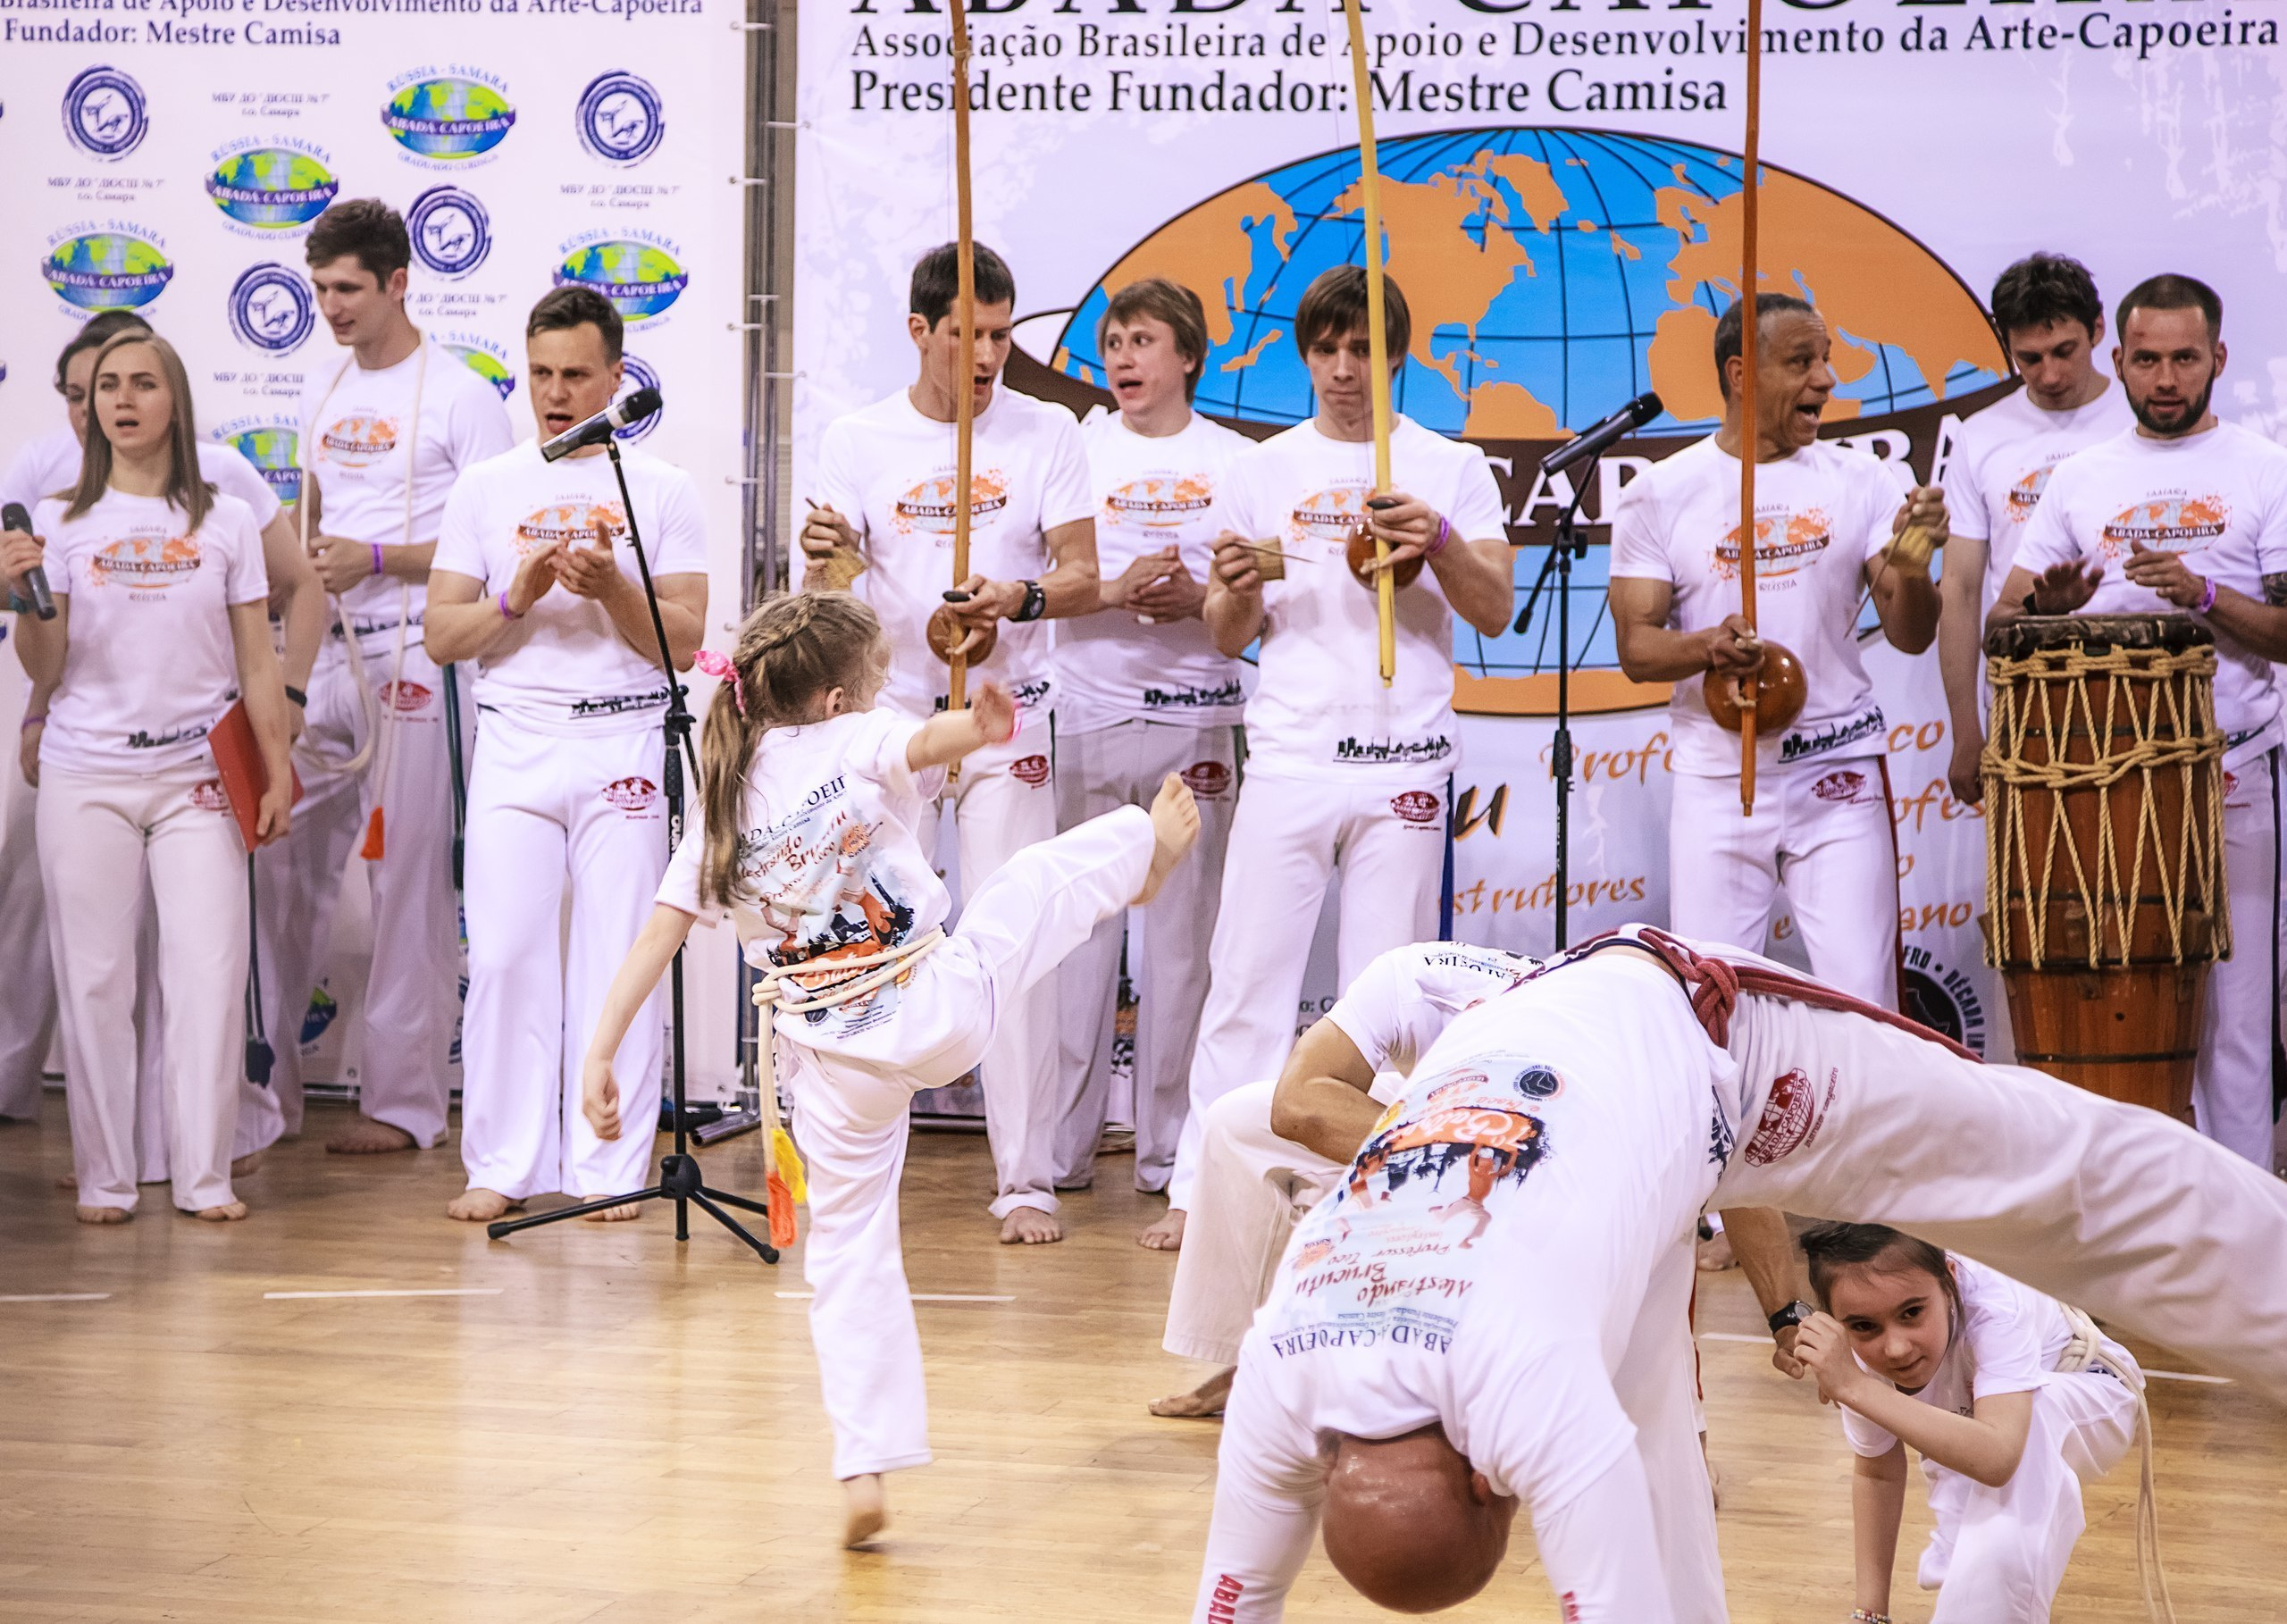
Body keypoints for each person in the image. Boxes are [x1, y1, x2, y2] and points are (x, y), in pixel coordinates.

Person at [1185, 922, 2287, 1618]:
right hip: (1541, 1080)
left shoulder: (1518, 1388)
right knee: (1653, 1442)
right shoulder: (1279, 1371)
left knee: (2068, 1175)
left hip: (1723, 1050)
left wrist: (1784, 1309)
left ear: (1489, 1480)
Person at [576, 591, 1200, 1547]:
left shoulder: (722, 796)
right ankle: (1137, 861)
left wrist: (600, 1052)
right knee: (1028, 884)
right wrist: (976, 727)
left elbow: (661, 934)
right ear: (835, 700)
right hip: (933, 1004)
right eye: (870, 683)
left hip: (828, 1056)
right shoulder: (853, 738)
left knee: (848, 1256)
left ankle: (863, 1464)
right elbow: (913, 748)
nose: (878, 699)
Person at [1166, 265, 1514, 1251]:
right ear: (1305, 356)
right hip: (1291, 751)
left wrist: (1438, 540)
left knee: (1388, 989)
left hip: (1405, 761)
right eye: (1326, 349)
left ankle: (1377, 1186)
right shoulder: (1260, 469)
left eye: (1363, 349)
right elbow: (1225, 630)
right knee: (1248, 977)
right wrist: (1232, 583)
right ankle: (1206, 1186)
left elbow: (1493, 607)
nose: (1344, 368)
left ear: (1398, 356)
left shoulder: (1449, 466)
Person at [800, 242, 1100, 1244]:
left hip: (1008, 716)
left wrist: (1019, 596)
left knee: (1011, 935)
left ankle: (1026, 1178)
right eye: (965, 335)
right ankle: (849, 1170)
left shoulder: (1045, 428)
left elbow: (1085, 575)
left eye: (1001, 335)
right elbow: (829, 588)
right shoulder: (857, 437)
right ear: (920, 331)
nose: (985, 356)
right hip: (898, 724)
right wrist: (829, 566)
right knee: (875, 939)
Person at [1, 313, 323, 1140]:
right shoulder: (53, 503)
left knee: (209, 971)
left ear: (175, 399)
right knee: (100, 973)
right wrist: (25, 629)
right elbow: (52, 658)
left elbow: (269, 636)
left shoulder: (222, 498)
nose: (110, 402)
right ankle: (114, 1164)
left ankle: (207, 1160)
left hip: (199, 768)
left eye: (137, 383)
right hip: (88, 764)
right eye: (94, 389)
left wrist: (278, 744)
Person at [1989, 272, 2287, 1168]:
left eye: (2184, 359)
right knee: (2112, 1019)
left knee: (2234, 1029)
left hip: (2233, 773)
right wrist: (2050, 601)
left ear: (2217, 360)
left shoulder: (2263, 466)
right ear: (2117, 360)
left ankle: (2241, 1246)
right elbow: (1999, 632)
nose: (2165, 378)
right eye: (2147, 359)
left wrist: (2201, 593)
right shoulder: (2081, 477)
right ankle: (2124, 1232)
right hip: (2101, 797)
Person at [426, 286, 707, 1224]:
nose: (553, 392)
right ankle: (501, 1159)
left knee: (618, 956)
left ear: (616, 378)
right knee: (503, 954)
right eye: (540, 373)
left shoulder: (658, 488)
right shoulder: (488, 486)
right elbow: (440, 636)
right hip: (515, 736)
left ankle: (608, 1164)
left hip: (622, 732)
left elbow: (689, 637)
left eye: (574, 374)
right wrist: (513, 598)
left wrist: (614, 590)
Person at [1608, 291, 1946, 1009]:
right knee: (1710, 1003)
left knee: (1866, 1004)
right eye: (1802, 361)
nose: (1825, 379)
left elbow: (1914, 633)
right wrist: (1708, 646)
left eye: (1826, 359)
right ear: (1740, 374)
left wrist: (1914, 560)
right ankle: (1720, 1124)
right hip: (1719, 778)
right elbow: (1637, 650)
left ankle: (1869, 1124)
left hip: (1839, 772)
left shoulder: (1863, 479)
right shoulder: (1660, 493)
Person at [287, 197, 515, 1156]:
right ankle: (264, 1098)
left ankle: (403, 1106)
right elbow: (305, 529)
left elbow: (497, 545)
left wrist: (377, 556)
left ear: (397, 283)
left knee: (410, 879)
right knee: (279, 868)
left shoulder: (462, 395)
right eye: (320, 288)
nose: (332, 306)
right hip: (324, 650)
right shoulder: (322, 389)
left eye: (348, 289)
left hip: (420, 652)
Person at [1054, 277, 1248, 1231]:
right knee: (1079, 937)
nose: (1123, 358)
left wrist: (1199, 601)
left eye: (1143, 340)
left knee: (1179, 954)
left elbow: (1256, 601)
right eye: (1113, 341)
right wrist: (1110, 590)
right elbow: (1041, 583)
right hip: (1085, 715)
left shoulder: (1237, 461)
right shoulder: (1073, 451)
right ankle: (1058, 1148)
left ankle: (1168, 1152)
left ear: (1188, 357)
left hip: (1199, 720)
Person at [1151, 939, 1535, 1419]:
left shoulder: (1559, 1027)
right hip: (1438, 1113)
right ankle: (1256, 1361)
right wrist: (1435, 1148)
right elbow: (1298, 1103)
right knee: (1238, 1122)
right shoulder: (1407, 978)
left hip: (1536, 1142)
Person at [1792, 1222, 2141, 1624]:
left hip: (2094, 1395)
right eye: (1864, 1327)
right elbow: (1877, 1474)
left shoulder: (1998, 1302)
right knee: (1973, 1552)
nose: (1896, 1347)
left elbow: (1997, 1457)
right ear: (1837, 1321)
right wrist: (1869, 1615)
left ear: (1949, 1280)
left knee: (2025, 1430)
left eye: (1912, 1312)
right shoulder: (1844, 1350)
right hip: (1982, 1423)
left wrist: (1857, 1388)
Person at [1938, 254, 2134, 804]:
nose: (2048, 374)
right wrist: (1965, 727)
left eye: (2063, 352)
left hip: (2145, 687)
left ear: (2097, 330)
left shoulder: (2145, 420)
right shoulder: (1980, 438)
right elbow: (1959, 590)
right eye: (2029, 358)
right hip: (2026, 700)